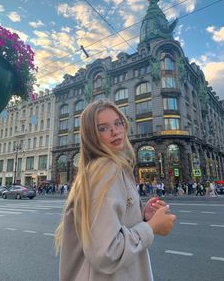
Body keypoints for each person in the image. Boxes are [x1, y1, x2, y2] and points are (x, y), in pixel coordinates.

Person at [55, 100, 176, 281]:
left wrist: (140, 214)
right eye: (102, 128)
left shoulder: (110, 168)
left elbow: (107, 224)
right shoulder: (105, 171)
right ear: (91, 136)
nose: (115, 131)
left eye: (118, 123)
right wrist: (151, 227)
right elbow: (107, 253)